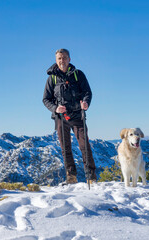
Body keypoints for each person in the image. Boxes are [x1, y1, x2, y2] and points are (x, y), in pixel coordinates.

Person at [43, 48, 97, 184]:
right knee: (65, 147)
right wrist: (56, 108)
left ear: (69, 59)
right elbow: (45, 99)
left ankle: (91, 177)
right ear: (56, 60)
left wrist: (86, 102)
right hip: (61, 118)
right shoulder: (52, 78)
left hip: (78, 115)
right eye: (59, 58)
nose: (62, 61)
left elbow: (87, 92)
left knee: (84, 146)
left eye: (64, 58)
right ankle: (71, 176)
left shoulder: (78, 75)